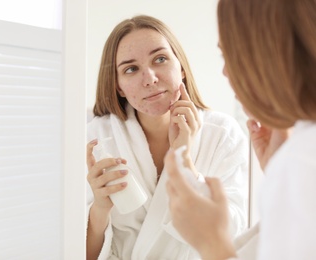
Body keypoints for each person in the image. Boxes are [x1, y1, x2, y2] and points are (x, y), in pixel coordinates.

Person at [86, 15, 249, 260]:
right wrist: (99, 208)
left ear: (181, 67)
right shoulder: (97, 137)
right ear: (118, 85)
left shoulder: (222, 134)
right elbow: (79, 252)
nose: (150, 78)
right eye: (131, 69)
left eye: (160, 59)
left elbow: (230, 238)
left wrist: (184, 162)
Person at [165, 0, 316, 259]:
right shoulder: (299, 154)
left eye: (229, 55)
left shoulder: (299, 158)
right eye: (130, 68)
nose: (225, 71)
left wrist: (212, 244)